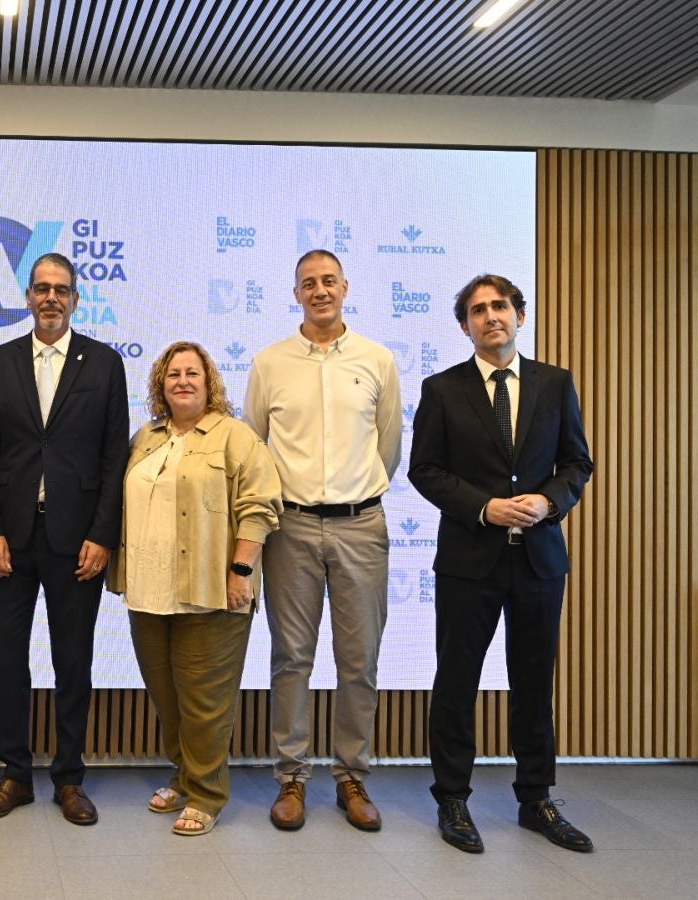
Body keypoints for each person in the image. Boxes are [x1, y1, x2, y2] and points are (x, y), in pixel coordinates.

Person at [409, 274, 594, 854]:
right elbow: (426, 470)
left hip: (539, 561)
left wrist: (549, 501)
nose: (492, 316)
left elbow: (577, 463)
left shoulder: (556, 383)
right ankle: (453, 800)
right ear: (464, 324)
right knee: (457, 682)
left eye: (501, 307)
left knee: (535, 683)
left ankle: (535, 799)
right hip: (469, 560)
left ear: (520, 315)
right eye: (479, 310)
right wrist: (484, 507)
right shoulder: (441, 389)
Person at [0, 251, 128, 826]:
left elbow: (115, 459)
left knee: (73, 662)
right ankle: (14, 774)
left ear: (76, 299)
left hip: (76, 540)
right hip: (9, 539)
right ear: (28, 297)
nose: (51, 298)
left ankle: (69, 777)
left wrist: (103, 535)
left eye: (62, 289)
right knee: (7, 660)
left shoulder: (105, 364)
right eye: (41, 289)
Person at [243, 249, 402, 831]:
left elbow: (388, 446)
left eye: (328, 280)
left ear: (345, 286)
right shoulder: (269, 363)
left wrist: (354, 495)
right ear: (295, 293)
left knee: (359, 662)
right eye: (308, 283)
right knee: (291, 659)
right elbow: (255, 448)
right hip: (291, 528)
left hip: (362, 525)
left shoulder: (377, 360)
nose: (319, 291)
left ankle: (352, 775)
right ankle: (291, 777)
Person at [108, 341, 282, 836]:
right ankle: (185, 777)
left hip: (212, 592)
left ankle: (207, 794)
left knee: (205, 700)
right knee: (167, 697)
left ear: (210, 384)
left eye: (192, 373)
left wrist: (241, 573)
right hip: (148, 590)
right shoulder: (146, 436)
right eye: (172, 374)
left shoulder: (236, 437)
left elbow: (260, 507)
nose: (182, 381)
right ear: (160, 385)